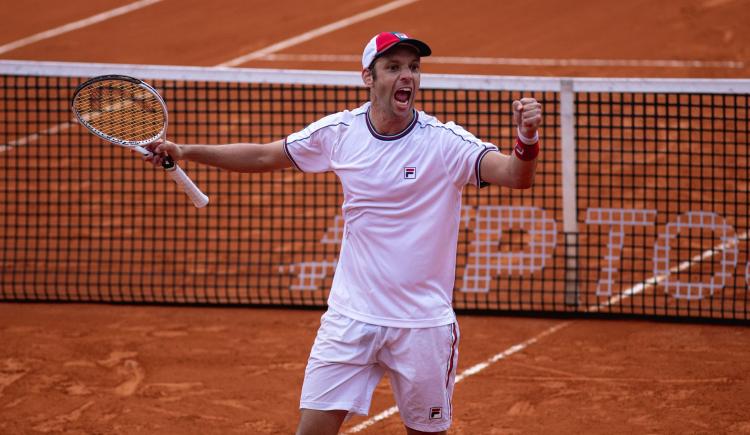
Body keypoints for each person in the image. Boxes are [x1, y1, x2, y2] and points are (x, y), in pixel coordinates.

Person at [146, 31, 542, 435]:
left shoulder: (444, 144)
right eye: (393, 68)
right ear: (368, 78)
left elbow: (514, 175)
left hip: (422, 326)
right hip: (350, 318)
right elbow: (267, 154)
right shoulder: (340, 133)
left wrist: (526, 139)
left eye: (413, 68)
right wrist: (187, 151)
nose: (407, 76)